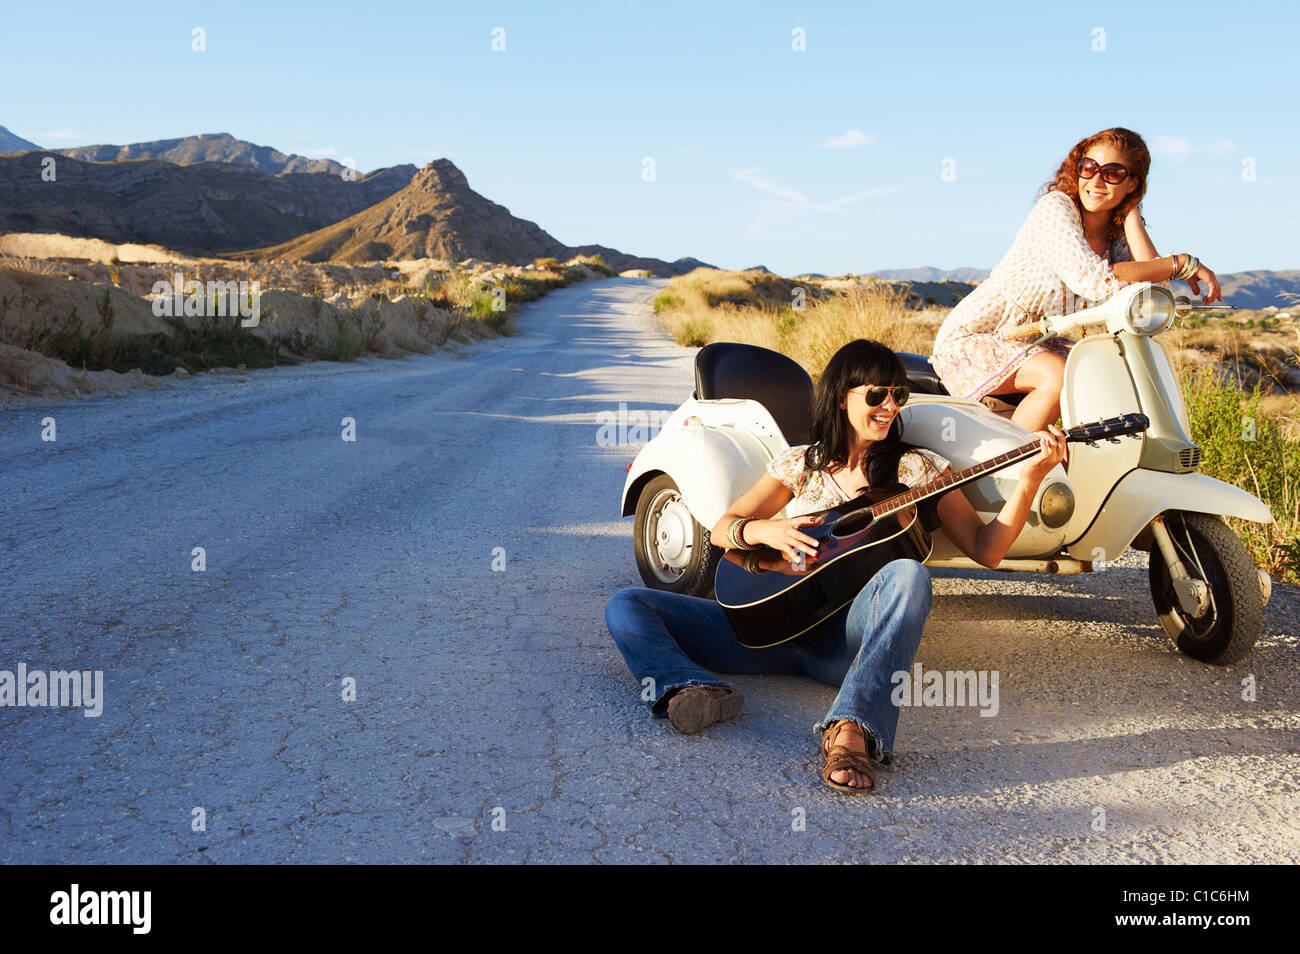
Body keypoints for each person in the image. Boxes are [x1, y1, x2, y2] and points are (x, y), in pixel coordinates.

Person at [605, 339, 1067, 793]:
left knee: (909, 574)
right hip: (766, 627)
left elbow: (986, 549)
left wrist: (1030, 479)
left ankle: (851, 730)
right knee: (628, 605)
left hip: (840, 646)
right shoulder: (801, 464)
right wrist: (766, 531)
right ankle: (694, 687)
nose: (889, 405)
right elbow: (724, 527)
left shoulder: (918, 471)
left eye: (897, 395)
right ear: (842, 397)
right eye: (875, 395)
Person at [930, 127, 1222, 432]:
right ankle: (1010, 474)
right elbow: (1095, 280)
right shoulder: (1056, 209)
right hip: (980, 336)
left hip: (1035, 338)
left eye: (1113, 174)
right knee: (1057, 376)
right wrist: (1180, 263)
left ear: (1132, 182)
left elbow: (1150, 293)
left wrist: (1133, 214)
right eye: (1089, 168)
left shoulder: (1115, 232)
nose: (1096, 181)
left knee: (1106, 372)